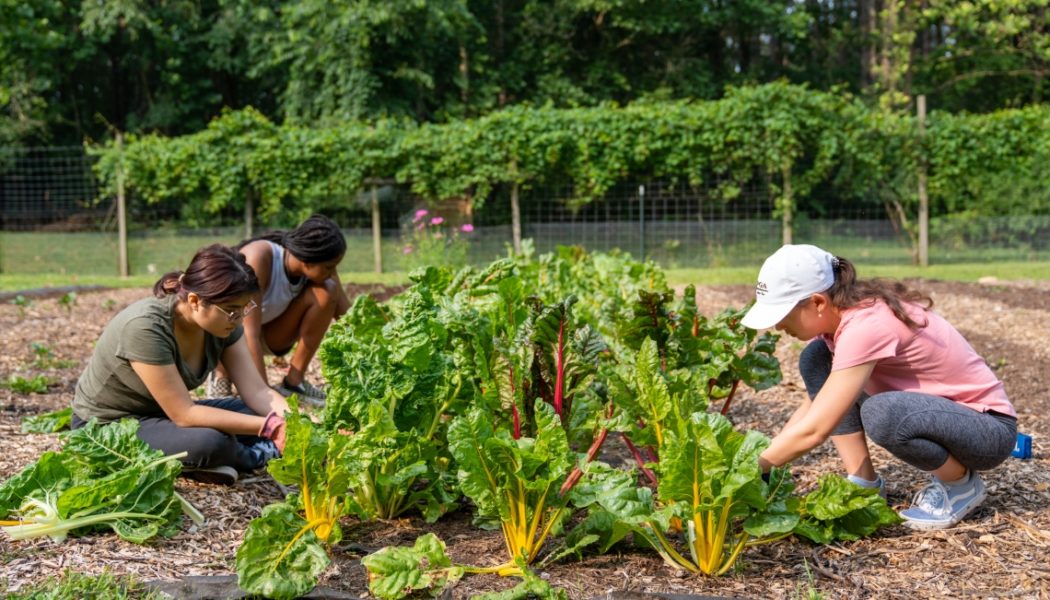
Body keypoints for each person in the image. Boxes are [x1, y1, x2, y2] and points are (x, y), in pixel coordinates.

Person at [741, 244, 1017, 530]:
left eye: (782, 315)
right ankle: (864, 484)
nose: (777, 327)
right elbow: (817, 406)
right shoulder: (840, 322)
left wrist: (751, 469)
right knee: (816, 358)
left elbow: (816, 429)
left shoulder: (866, 326)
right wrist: (765, 456)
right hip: (942, 416)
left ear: (817, 303)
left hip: (986, 430)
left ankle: (960, 485)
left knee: (881, 414)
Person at [71, 245, 290, 485]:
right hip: (107, 425)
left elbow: (258, 391)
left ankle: (212, 461)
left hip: (161, 414)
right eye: (231, 311)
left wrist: (302, 424)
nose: (239, 319)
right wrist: (271, 428)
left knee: (255, 412)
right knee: (211, 442)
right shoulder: (145, 327)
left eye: (244, 308)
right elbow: (184, 414)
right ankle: (252, 456)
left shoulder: (223, 324)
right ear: (195, 301)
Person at [209, 214, 350, 404]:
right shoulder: (260, 258)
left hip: (267, 335)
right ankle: (221, 375)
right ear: (308, 259)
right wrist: (266, 396)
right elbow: (249, 332)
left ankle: (294, 382)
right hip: (223, 334)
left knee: (328, 292)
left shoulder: (320, 271)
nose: (331, 273)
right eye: (329, 267)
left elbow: (350, 318)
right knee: (227, 322)